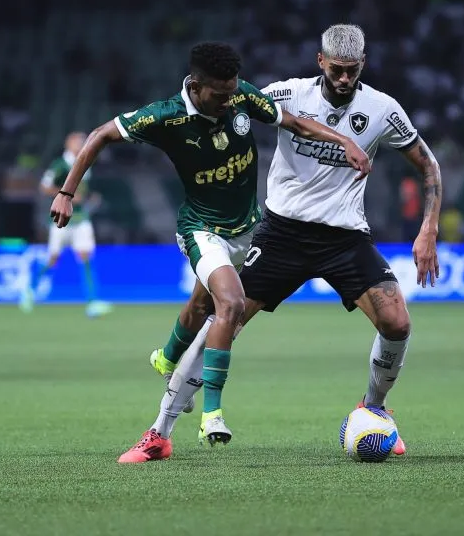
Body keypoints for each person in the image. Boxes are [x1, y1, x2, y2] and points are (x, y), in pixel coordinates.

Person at [48, 41, 369, 463]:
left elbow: (293, 122)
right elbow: (100, 135)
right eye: (219, 95)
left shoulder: (238, 95)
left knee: (201, 305)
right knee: (230, 304)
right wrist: (67, 192)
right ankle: (212, 413)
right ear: (196, 87)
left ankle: (166, 357)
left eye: (232, 91)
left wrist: (344, 140)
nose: (227, 100)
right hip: (202, 230)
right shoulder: (165, 116)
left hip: (251, 230)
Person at [142, 24, 441, 463]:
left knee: (397, 322)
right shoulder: (285, 95)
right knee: (225, 319)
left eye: (352, 71)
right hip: (280, 232)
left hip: (344, 237)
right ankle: (159, 432)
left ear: (363, 65)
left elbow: (428, 165)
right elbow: (218, 109)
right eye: (336, 69)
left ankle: (373, 408)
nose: (344, 79)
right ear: (320, 61)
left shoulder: (382, 109)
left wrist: (428, 227)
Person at [22, 132, 112, 318]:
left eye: (82, 141)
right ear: (68, 143)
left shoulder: (87, 161)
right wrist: (67, 194)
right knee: (53, 258)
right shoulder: (59, 165)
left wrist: (88, 198)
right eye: (77, 142)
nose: (80, 144)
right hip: (62, 218)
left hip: (81, 218)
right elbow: (44, 187)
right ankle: (29, 290)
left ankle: (92, 302)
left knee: (86, 256)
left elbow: (82, 190)